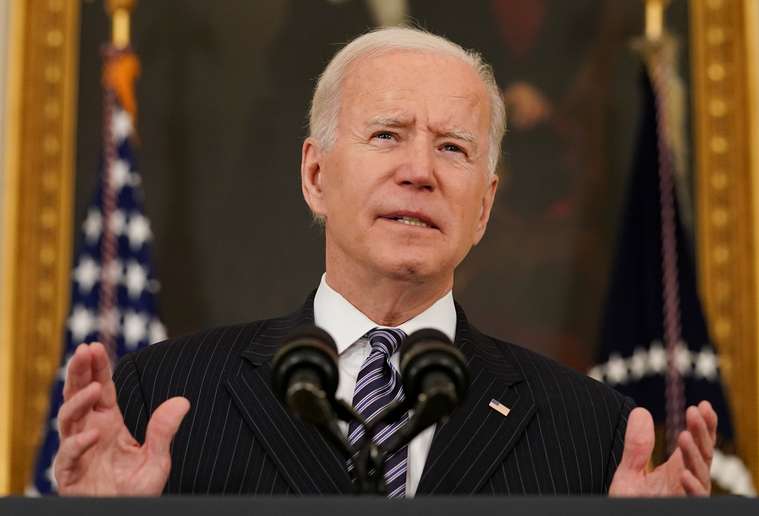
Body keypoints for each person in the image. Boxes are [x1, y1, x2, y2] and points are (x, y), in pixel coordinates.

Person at [52, 27, 717, 497]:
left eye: (453, 148)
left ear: (483, 206)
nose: (420, 172)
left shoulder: (588, 432)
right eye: (387, 135)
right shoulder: (166, 396)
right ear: (315, 175)